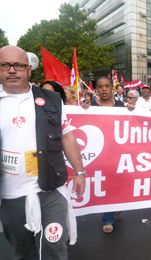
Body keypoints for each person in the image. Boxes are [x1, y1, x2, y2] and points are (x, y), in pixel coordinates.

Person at [0, 45, 85, 259]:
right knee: (23, 250)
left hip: (50, 188)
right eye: (5, 65)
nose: (12, 70)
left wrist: (80, 171)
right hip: (11, 195)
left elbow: (66, 135)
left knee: (55, 246)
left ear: (28, 70)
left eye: (18, 65)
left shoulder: (51, 100)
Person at [84, 77, 125, 233]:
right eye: (100, 86)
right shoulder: (90, 107)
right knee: (106, 183)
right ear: (96, 90)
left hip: (119, 151)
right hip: (100, 152)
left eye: (107, 86)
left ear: (112, 88)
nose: (104, 89)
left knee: (118, 181)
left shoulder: (121, 106)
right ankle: (108, 219)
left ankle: (117, 204)